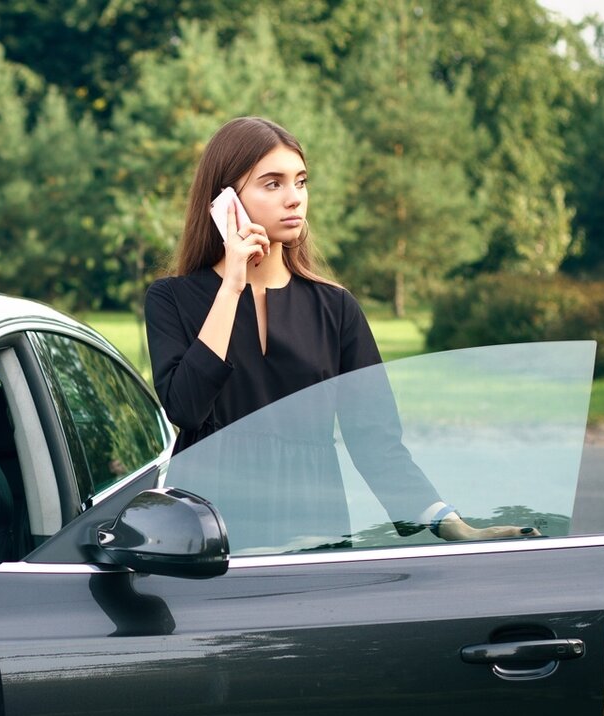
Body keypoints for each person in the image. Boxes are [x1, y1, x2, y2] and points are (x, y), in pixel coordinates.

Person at [145, 116, 535, 543]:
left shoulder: (336, 308)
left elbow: (376, 442)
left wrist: (452, 524)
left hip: (311, 527)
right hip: (204, 534)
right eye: (272, 184)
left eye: (301, 181)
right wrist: (233, 283)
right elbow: (185, 407)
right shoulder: (170, 299)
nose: (294, 198)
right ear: (224, 202)